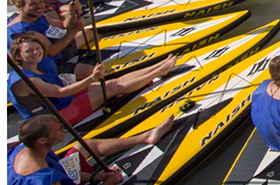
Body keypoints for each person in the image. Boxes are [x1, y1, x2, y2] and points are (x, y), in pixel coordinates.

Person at [8, 114, 174, 185]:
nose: (63, 129)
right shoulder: (39, 179)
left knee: (84, 145)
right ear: (42, 140)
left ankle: (146, 137)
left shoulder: (24, 149)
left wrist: (92, 177)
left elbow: (60, 171)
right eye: (58, 129)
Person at [8, 35, 177, 124]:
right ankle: (159, 71)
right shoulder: (25, 80)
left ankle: (157, 66)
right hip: (55, 117)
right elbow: (61, 91)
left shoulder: (39, 63)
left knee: (111, 82)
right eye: (29, 51)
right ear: (18, 56)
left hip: (61, 100)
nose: (35, 53)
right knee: (111, 88)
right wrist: (91, 78)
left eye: (37, 48)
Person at [8, 0, 92, 76]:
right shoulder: (24, 31)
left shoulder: (36, 16)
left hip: (55, 51)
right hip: (43, 66)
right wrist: (73, 30)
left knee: (88, 33)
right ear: (20, 7)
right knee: (89, 70)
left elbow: (63, 25)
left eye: (41, 2)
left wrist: (72, 14)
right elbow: (52, 51)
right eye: (33, 4)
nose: (39, 6)